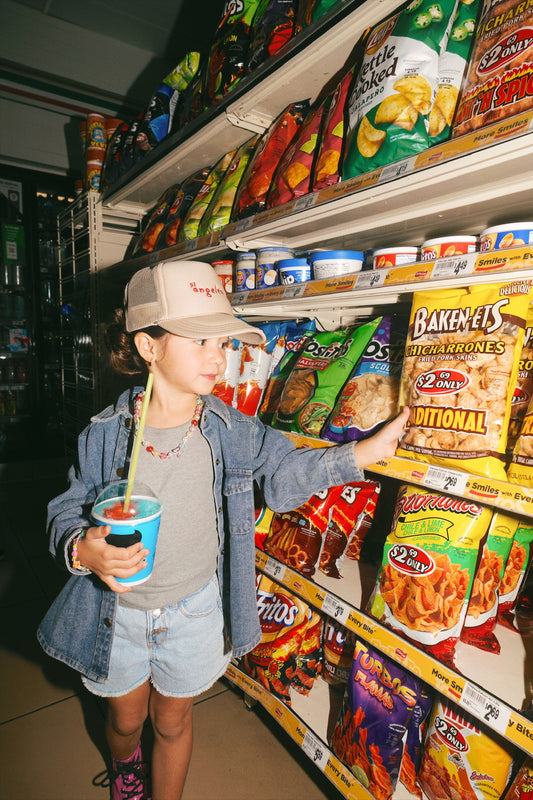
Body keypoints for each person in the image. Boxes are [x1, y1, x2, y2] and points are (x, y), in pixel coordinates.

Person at [38, 260, 409, 800]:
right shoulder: (102, 436)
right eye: (199, 340)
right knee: (125, 722)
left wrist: (361, 454)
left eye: (223, 342)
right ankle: (126, 770)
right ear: (148, 347)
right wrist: (82, 550)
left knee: (173, 721)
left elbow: (282, 479)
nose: (218, 357)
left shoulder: (231, 430)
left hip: (194, 609)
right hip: (115, 615)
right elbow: (66, 509)